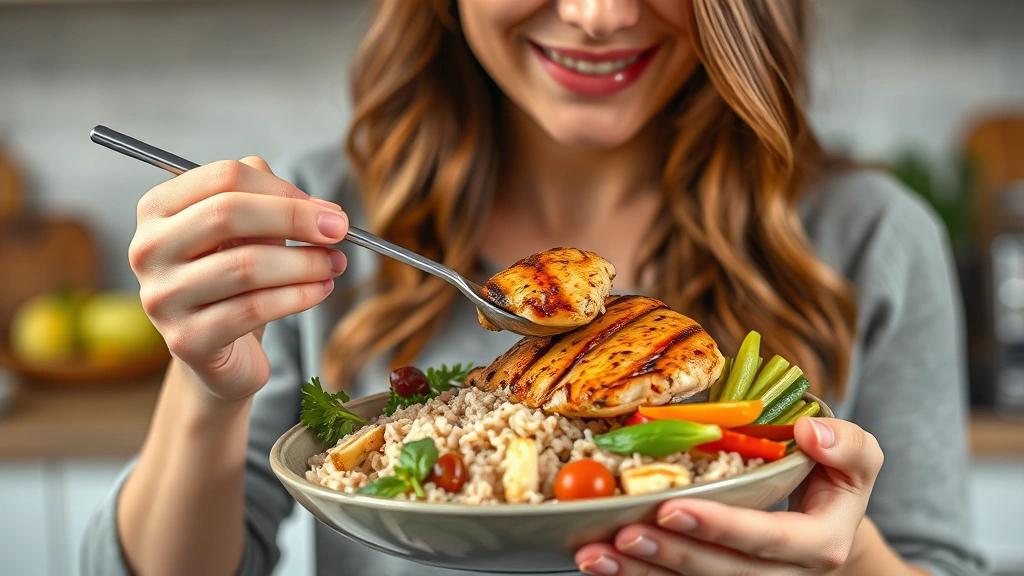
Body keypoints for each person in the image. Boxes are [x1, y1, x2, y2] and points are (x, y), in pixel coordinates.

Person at [82, 1, 988, 575]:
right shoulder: (315, 221)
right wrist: (207, 387)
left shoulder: (874, 236)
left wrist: (847, 562)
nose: (597, 15)